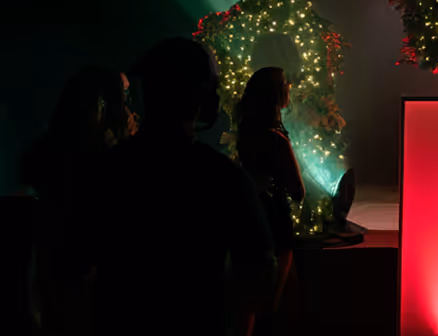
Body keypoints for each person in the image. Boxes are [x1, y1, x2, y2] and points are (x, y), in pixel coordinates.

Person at [90, 38, 274, 336]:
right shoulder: (223, 177)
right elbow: (260, 277)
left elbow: (72, 271)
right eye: (213, 86)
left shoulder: (107, 170)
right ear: (199, 96)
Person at [21, 66, 136, 336]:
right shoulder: (102, 165)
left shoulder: (50, 155)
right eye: (124, 98)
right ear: (101, 106)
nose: (131, 110)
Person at [234, 68, 306, 335]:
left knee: (256, 302)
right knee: (273, 306)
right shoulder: (275, 139)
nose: (290, 88)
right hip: (277, 223)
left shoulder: (245, 133)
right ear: (277, 94)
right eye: (286, 84)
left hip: (254, 219)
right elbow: (298, 192)